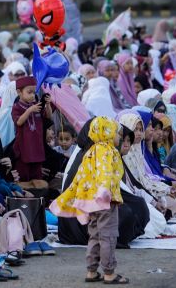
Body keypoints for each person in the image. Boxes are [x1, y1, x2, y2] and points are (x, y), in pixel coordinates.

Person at [50, 116, 129, 285]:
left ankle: (91, 271)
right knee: (108, 236)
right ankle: (109, 273)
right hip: (105, 201)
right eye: (117, 133)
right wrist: (104, 191)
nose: (119, 137)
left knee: (94, 235)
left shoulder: (90, 151)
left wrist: (73, 197)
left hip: (92, 202)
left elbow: (80, 177)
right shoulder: (108, 150)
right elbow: (105, 173)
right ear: (106, 133)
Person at [12, 76, 52, 185]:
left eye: (34, 92)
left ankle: (37, 198)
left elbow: (48, 116)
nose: (32, 95)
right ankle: (23, 199)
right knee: (24, 178)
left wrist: (47, 104)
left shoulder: (36, 105)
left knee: (37, 177)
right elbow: (19, 122)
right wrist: (29, 110)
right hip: (24, 148)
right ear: (19, 92)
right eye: (29, 92)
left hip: (37, 147)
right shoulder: (17, 107)